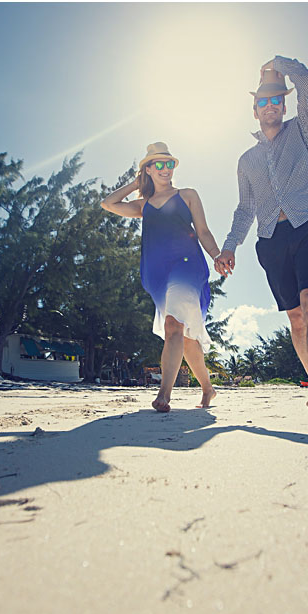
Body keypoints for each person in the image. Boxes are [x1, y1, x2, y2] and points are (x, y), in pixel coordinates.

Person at [214, 56, 308, 419]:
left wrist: (280, 64)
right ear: (255, 111)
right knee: (295, 317)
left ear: (284, 106)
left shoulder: (302, 130)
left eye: (276, 100)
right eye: (263, 102)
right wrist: (229, 246)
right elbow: (245, 208)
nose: (270, 106)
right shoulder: (246, 160)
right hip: (271, 239)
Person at [102, 142, 222, 412]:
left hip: (187, 266)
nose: (165, 168)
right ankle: (208, 388)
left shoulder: (187, 195)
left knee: (172, 324)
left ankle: (164, 394)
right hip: (159, 274)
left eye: (169, 164)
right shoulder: (143, 205)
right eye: (158, 164)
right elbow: (108, 204)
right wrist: (136, 184)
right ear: (148, 169)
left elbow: (202, 231)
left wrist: (216, 255)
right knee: (185, 336)